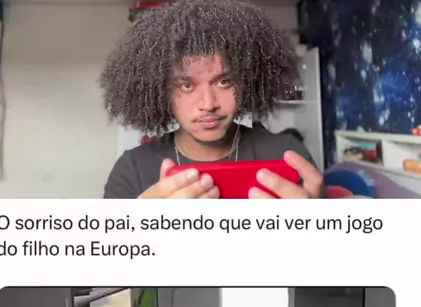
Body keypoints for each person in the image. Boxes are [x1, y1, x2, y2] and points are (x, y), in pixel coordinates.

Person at [101, 0, 325, 200]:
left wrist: (317, 222)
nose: (208, 104)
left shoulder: (288, 155)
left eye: (224, 82)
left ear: (246, 81)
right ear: (160, 90)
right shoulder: (131, 172)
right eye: (186, 85)